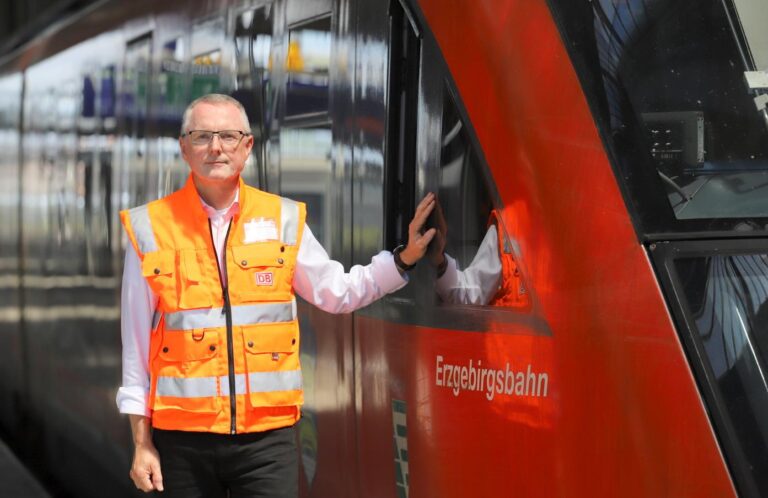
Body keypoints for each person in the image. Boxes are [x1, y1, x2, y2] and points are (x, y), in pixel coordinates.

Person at [117, 93, 436, 497]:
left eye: (228, 136)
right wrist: (142, 443)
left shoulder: (284, 220)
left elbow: (336, 291)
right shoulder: (149, 229)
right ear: (184, 147)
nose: (215, 147)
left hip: (267, 442)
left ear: (247, 147)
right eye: (201, 136)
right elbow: (135, 350)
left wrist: (403, 260)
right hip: (181, 443)